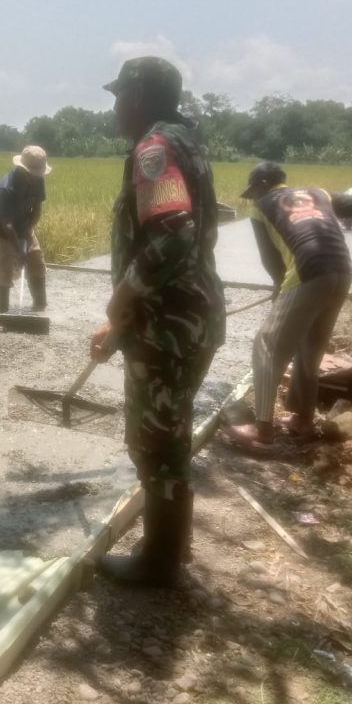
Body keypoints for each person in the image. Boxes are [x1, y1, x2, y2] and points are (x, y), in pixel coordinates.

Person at [90, 56, 225, 587]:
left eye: (119, 97)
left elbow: (172, 232)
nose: (115, 108)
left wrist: (123, 295)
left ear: (139, 96)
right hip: (188, 317)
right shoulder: (188, 142)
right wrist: (121, 323)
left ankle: (160, 564)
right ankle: (170, 552)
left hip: (167, 326)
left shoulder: (155, 147)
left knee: (155, 444)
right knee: (170, 436)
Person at [222, 162, 352, 450]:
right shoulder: (319, 193)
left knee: (266, 346)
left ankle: (262, 430)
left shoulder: (261, 206)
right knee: (310, 349)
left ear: (262, 186)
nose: (253, 196)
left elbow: (271, 260)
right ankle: (303, 420)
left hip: (308, 272)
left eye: (254, 191)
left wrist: (280, 289)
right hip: (341, 271)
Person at [0, 145, 50, 313]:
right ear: (23, 170)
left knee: (36, 262)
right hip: (1, 233)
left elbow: (37, 209)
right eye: (33, 173)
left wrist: (29, 230)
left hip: (24, 227)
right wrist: (19, 251)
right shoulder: (6, 187)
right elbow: (7, 225)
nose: (36, 177)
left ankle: (40, 306)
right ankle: (2, 311)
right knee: (5, 272)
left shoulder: (38, 180)